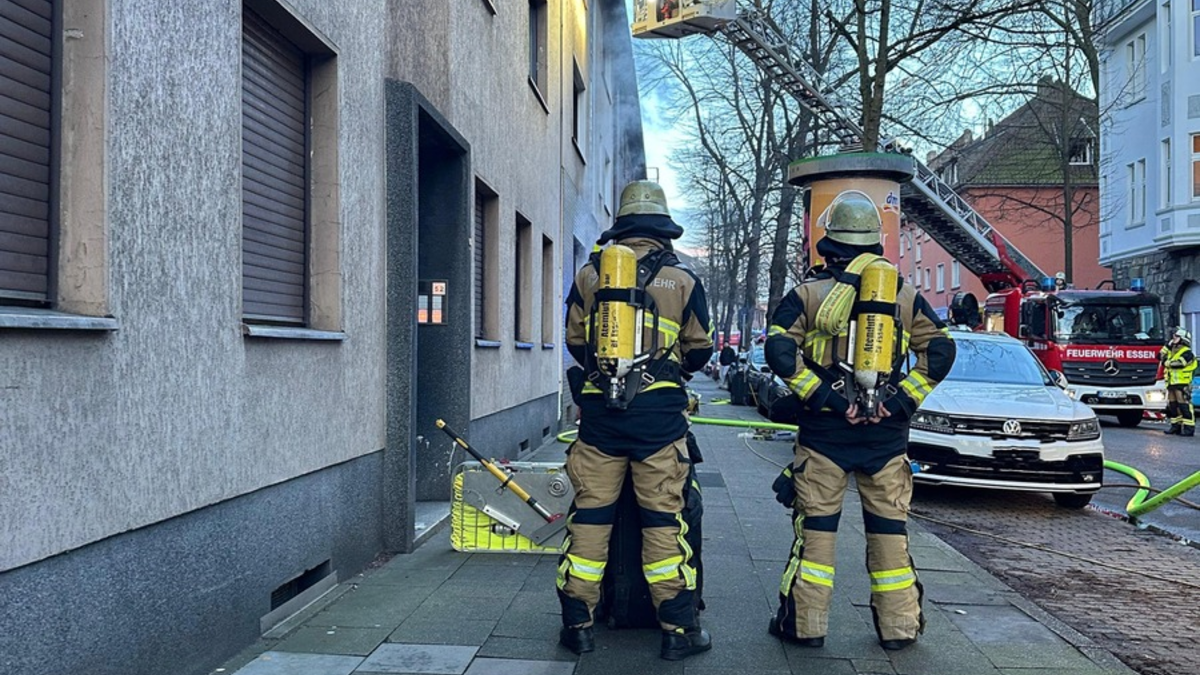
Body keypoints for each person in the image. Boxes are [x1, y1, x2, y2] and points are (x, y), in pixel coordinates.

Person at [763, 192, 956, 651]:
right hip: (886, 437)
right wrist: (902, 401)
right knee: (890, 535)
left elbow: (778, 351)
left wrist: (826, 398)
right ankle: (899, 629)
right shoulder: (905, 296)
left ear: (829, 243)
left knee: (816, 537)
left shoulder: (808, 294)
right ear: (876, 244)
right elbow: (942, 351)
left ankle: (804, 627)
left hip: (825, 435)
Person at [560, 180, 715, 660]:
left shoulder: (590, 275)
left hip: (601, 422)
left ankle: (578, 626)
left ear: (622, 225)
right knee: (663, 524)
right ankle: (677, 631)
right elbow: (701, 350)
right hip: (659, 424)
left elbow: (575, 340)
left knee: (590, 520)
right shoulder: (684, 280)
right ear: (662, 230)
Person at [1160, 328, 1197, 436]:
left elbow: (1179, 363)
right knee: (1173, 406)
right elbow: (1160, 356)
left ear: (1183, 339)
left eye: (1176, 336)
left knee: (1184, 405)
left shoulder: (1187, 352)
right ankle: (1175, 427)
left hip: (1182, 383)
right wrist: (1167, 346)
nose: (1173, 338)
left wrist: (1166, 362)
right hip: (1172, 382)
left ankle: (1189, 428)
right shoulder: (1172, 350)